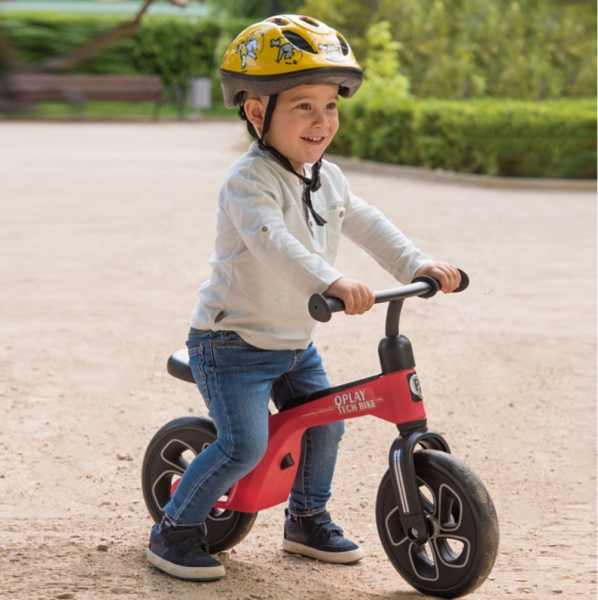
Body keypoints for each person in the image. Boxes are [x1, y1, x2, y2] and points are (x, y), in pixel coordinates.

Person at [147, 14, 461, 582]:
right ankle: (173, 531)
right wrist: (331, 281)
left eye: (331, 105)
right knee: (243, 446)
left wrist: (416, 264)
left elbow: (368, 223)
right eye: (303, 106)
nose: (322, 121)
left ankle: (306, 520)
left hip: (293, 341)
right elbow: (274, 243)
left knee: (326, 425)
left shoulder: (327, 177)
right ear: (256, 111)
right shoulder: (249, 182)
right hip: (231, 342)